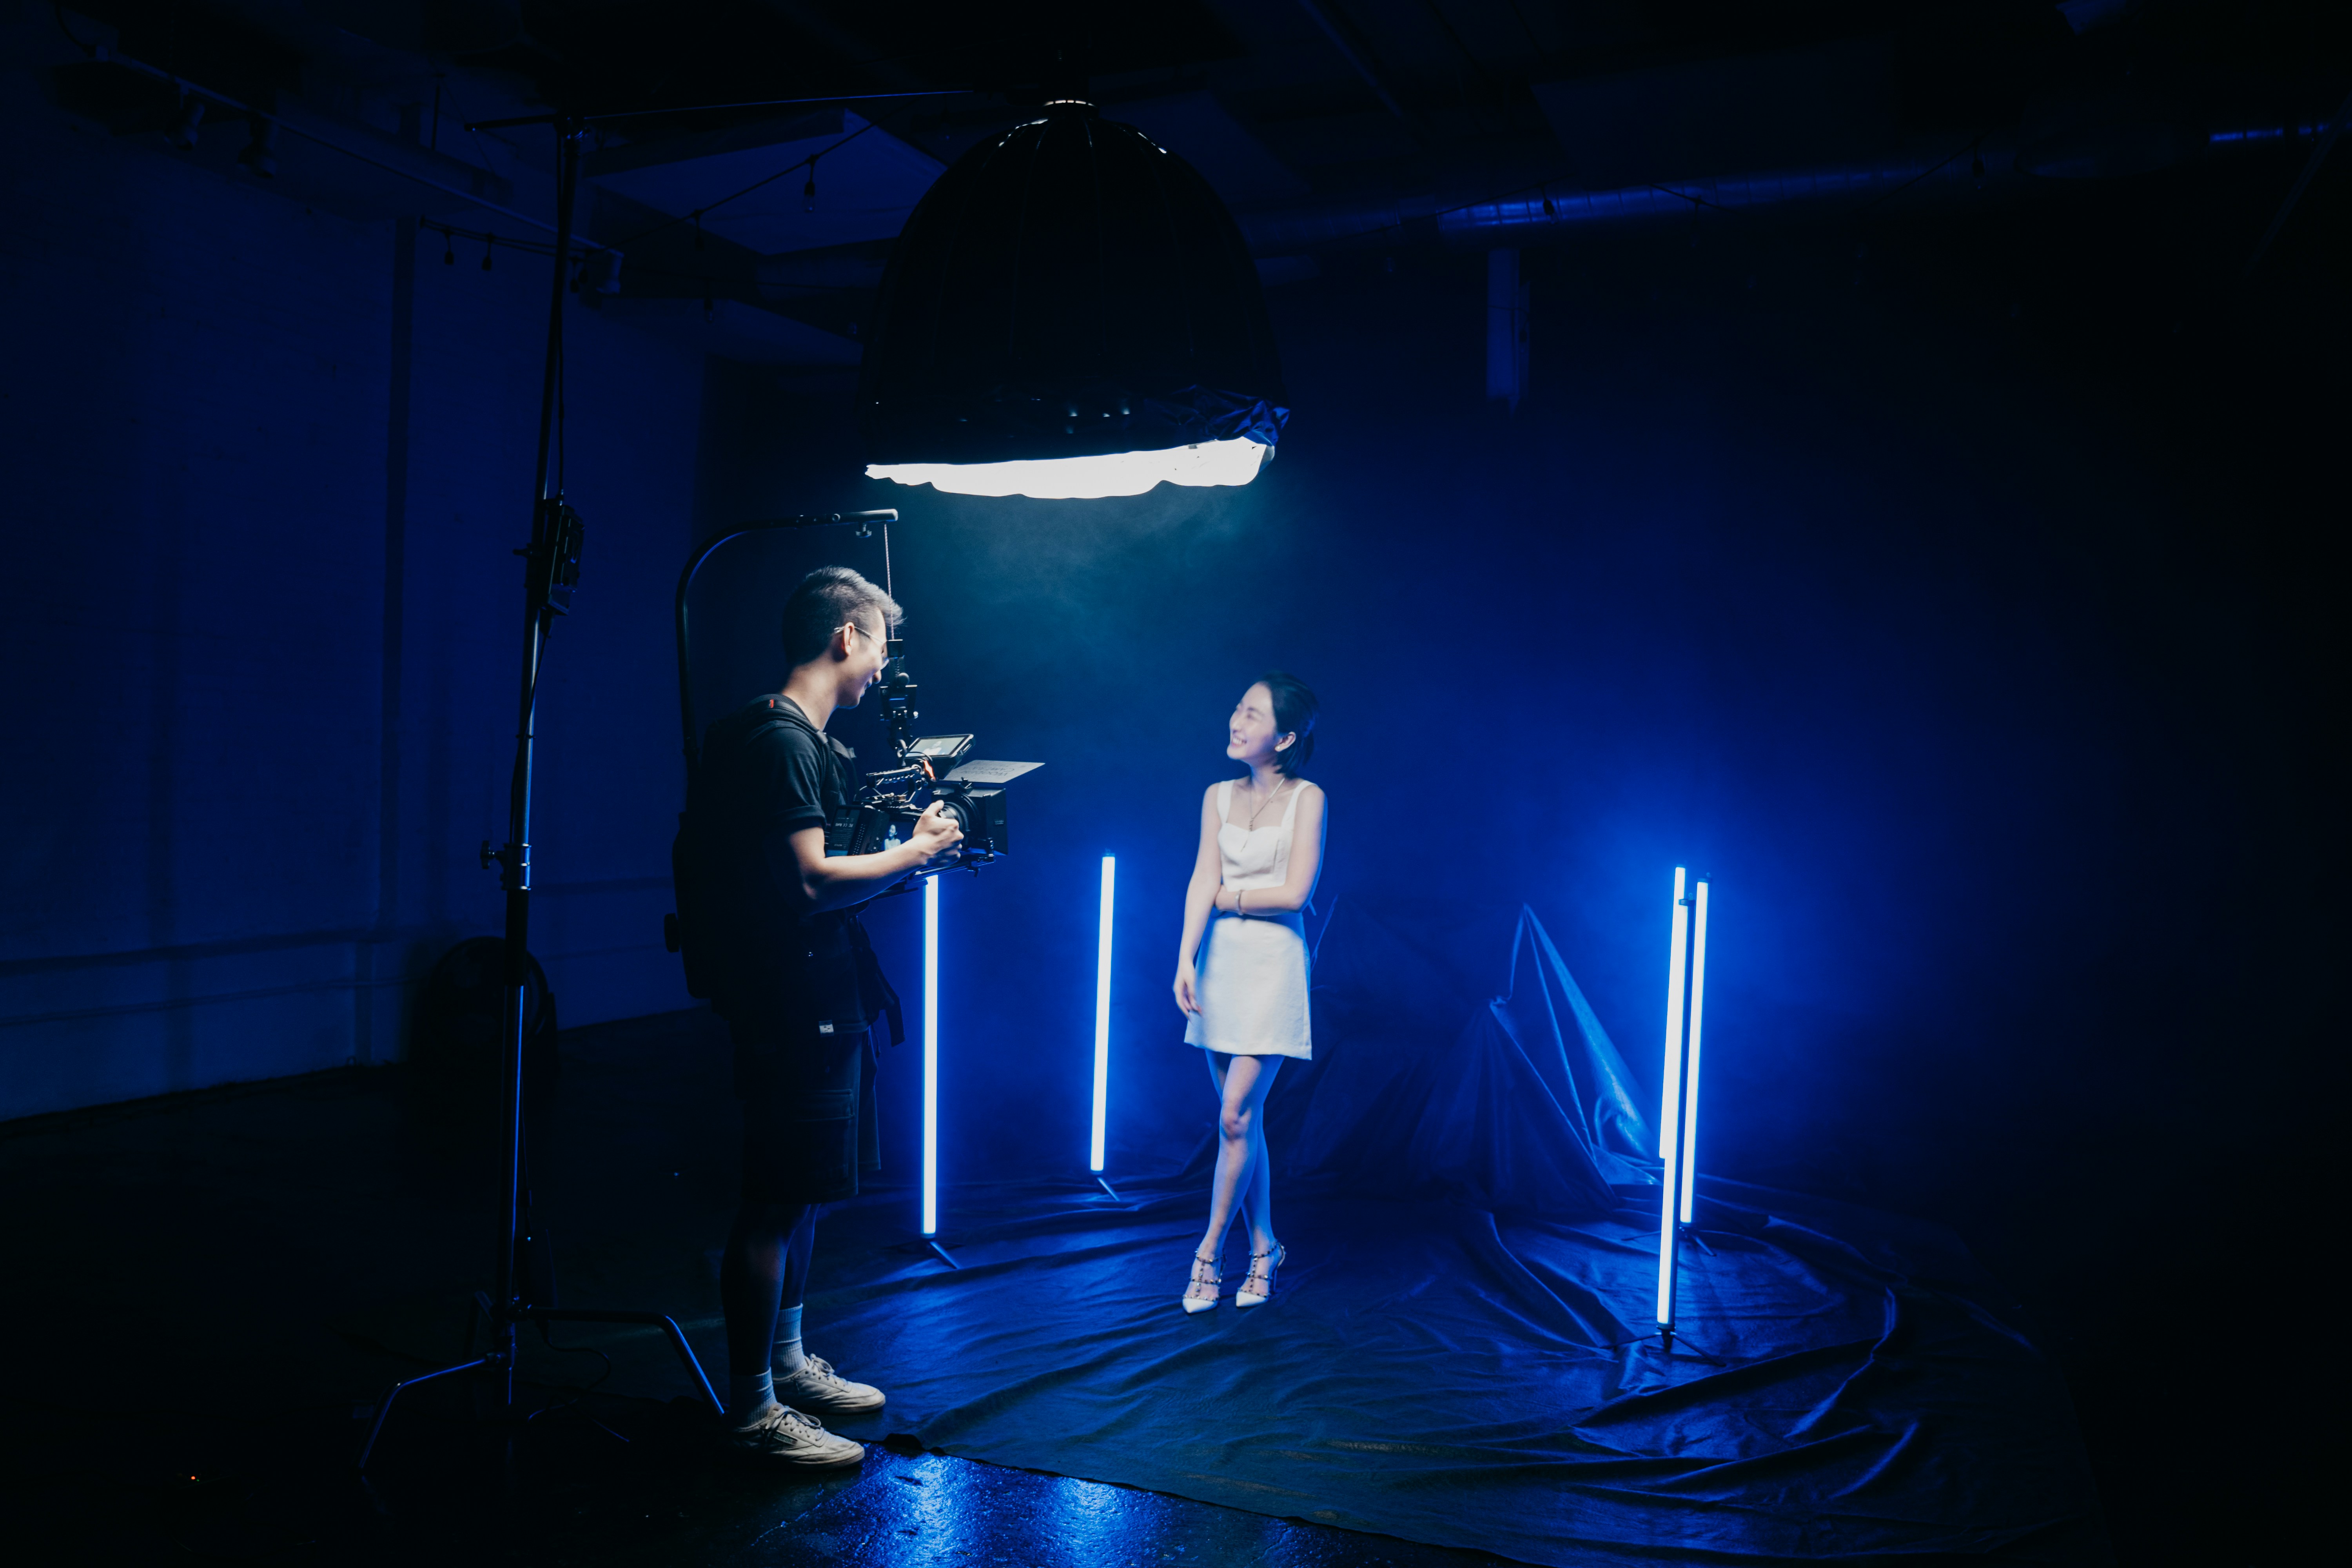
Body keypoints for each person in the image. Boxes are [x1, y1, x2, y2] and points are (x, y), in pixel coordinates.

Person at [691, 566, 962, 1465]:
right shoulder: (780, 741)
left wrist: (907, 855)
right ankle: (752, 1409)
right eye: (881, 644)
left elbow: (825, 882)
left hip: (819, 997)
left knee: (805, 1194)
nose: (884, 668)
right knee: (775, 1199)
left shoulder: (802, 740)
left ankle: (786, 1363)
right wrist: (912, 852)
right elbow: (807, 883)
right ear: (847, 635)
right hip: (789, 1004)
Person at [1173, 672, 1325, 1314]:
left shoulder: (1308, 798)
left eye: (1253, 714)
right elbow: (1201, 876)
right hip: (1220, 966)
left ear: (1284, 738)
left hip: (1273, 968)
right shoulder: (1216, 796)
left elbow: (1297, 894)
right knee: (1245, 1122)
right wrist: (1185, 958)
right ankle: (1265, 1246)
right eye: (1238, 708)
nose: (1236, 721)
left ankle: (1208, 1254)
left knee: (1235, 1116)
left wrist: (1229, 900)